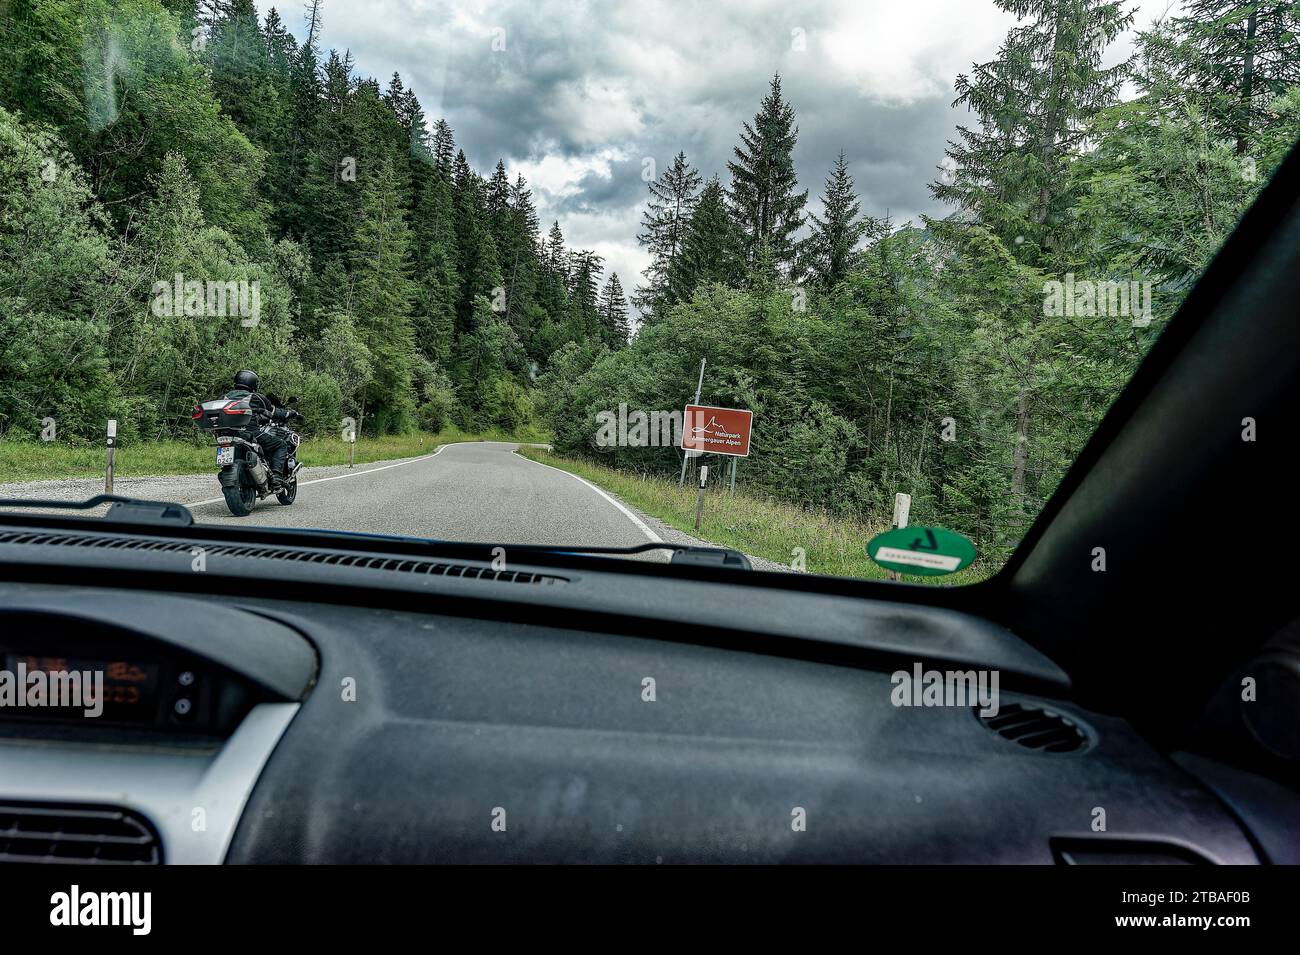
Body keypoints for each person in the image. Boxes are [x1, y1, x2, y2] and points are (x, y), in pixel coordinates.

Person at [227, 369, 302, 486]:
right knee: (281, 445)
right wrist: (291, 413)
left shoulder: (225, 396)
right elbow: (275, 412)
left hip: (227, 434)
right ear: (253, 383)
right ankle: (276, 476)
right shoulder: (256, 397)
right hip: (250, 433)